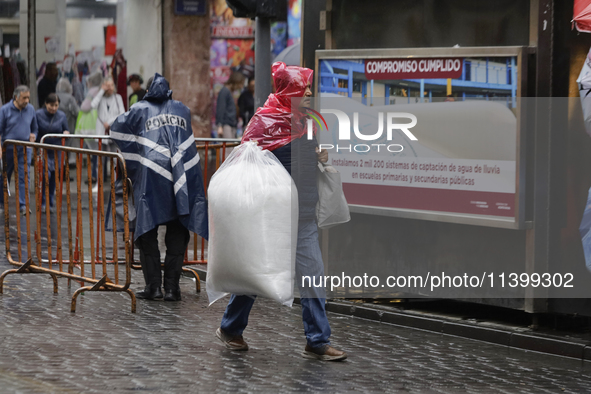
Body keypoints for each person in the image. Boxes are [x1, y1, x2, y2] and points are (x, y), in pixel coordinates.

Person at [216, 62, 347, 361]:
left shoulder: (308, 120)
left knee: (313, 276)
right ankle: (230, 328)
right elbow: (244, 164)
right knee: (256, 273)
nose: (311, 93)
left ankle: (317, 341)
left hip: (303, 215)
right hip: (272, 216)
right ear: (291, 91)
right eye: (306, 88)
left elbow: (310, 154)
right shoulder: (263, 122)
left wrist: (321, 155)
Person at [110, 74, 208, 301]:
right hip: (181, 177)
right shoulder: (182, 109)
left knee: (146, 232)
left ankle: (153, 287)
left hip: (152, 176)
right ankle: (172, 289)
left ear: (147, 91)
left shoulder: (139, 109)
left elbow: (116, 129)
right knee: (178, 231)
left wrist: (134, 157)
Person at [0, 85, 38, 215]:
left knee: (24, 176)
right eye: (24, 98)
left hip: (24, 148)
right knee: (4, 176)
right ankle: (1, 203)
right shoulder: (5, 110)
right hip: (8, 148)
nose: (27, 100)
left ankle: (23, 205)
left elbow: (35, 127)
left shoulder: (31, 109)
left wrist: (34, 135)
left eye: (28, 97)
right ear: (16, 97)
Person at [35, 93, 69, 211]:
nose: (53, 108)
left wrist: (66, 133)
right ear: (46, 104)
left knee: (55, 175)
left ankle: (50, 200)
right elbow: (35, 129)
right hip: (43, 147)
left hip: (57, 149)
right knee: (45, 174)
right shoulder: (38, 114)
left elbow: (66, 129)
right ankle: (43, 201)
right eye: (51, 105)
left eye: (56, 105)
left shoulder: (62, 115)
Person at [90, 76, 125, 182]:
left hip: (113, 131)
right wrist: (101, 91)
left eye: (111, 85)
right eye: (107, 85)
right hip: (101, 131)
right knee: (100, 159)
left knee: (115, 158)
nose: (109, 88)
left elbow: (122, 112)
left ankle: (116, 181)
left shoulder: (117, 97)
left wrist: (109, 122)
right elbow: (92, 105)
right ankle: (99, 181)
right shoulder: (100, 97)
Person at [215, 72, 244, 138]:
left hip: (231, 124)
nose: (241, 86)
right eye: (240, 84)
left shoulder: (230, 92)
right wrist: (220, 126)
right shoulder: (225, 91)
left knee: (231, 146)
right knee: (227, 146)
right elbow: (220, 108)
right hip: (226, 124)